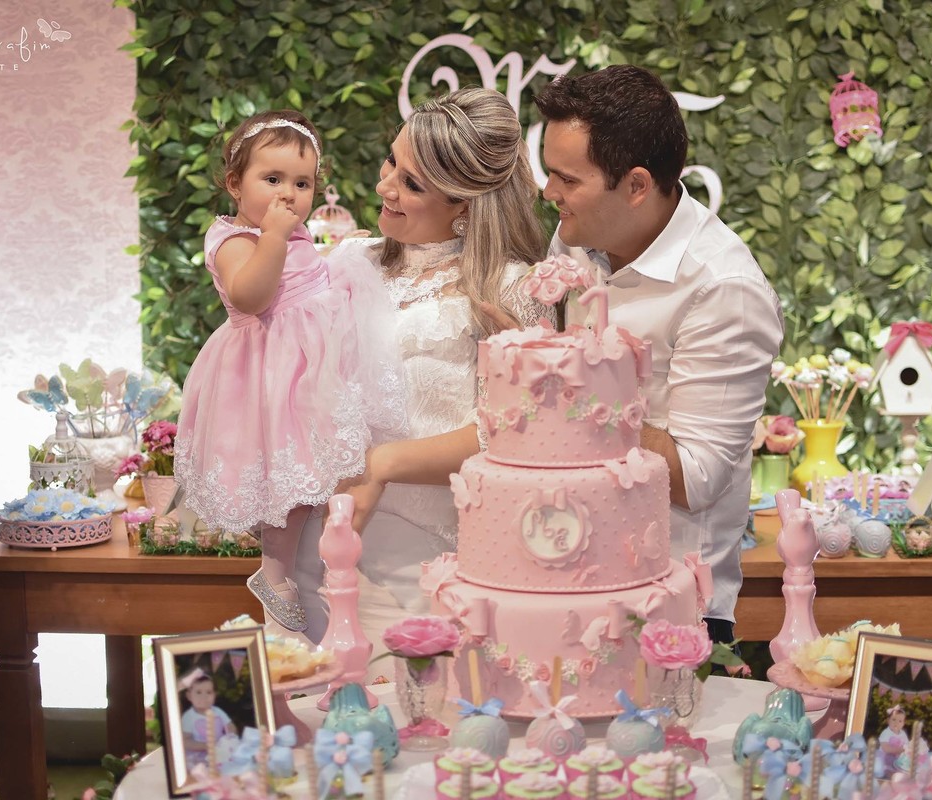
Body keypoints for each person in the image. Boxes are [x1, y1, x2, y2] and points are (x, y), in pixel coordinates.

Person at [290, 88, 553, 655]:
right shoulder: (348, 261)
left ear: (465, 205)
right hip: (316, 545)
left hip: (426, 571)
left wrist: (381, 465)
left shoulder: (512, 289)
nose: (384, 186)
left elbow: (518, 435)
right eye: (391, 162)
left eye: (412, 183)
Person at [534, 66, 784, 644]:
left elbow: (696, 479)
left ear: (637, 185)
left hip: (670, 610)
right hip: (564, 579)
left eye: (566, 179)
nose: (549, 193)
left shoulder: (722, 289)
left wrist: (571, 380)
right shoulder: (579, 239)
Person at [173, 109, 406, 632]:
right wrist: (275, 238)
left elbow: (307, 278)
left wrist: (336, 254)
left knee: (324, 469)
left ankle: (325, 563)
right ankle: (273, 572)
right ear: (235, 184)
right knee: (288, 482)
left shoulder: (290, 233)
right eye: (272, 180)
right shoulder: (234, 240)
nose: (288, 196)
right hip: (269, 375)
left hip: (308, 373)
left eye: (301, 184)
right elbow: (251, 297)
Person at [179, 670, 232, 769]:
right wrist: (205, 746)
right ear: (189, 696)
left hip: (219, 752)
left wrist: (230, 738)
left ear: (214, 695)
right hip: (198, 757)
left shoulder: (218, 711)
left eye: (209, 692)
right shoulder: (189, 717)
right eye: (198, 692)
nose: (204, 696)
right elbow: (185, 741)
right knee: (199, 769)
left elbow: (230, 726)